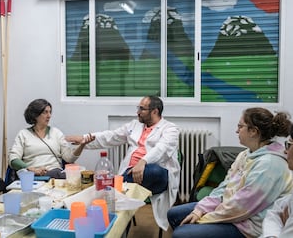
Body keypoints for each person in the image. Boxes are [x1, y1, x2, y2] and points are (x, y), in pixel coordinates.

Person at [167, 107, 293, 238]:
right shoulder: (246, 154)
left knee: (181, 234)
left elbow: (241, 207)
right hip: (233, 210)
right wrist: (201, 210)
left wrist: (204, 218)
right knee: (174, 214)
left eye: (240, 126)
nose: (236, 130)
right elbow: (225, 186)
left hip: (249, 226)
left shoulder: (270, 165)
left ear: (253, 131)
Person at [66, 95, 180, 231]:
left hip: (156, 177)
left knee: (154, 170)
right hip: (131, 173)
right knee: (118, 195)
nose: (137, 112)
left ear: (155, 111)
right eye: (138, 108)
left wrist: (143, 162)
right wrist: (85, 138)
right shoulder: (134, 125)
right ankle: (112, 197)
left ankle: (110, 188)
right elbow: (111, 136)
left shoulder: (170, 129)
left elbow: (162, 148)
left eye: (142, 109)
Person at [8, 99, 87, 179]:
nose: (49, 115)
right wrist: (30, 169)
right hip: (32, 176)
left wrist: (82, 145)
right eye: (45, 112)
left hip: (54, 174)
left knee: (80, 176)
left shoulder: (56, 133)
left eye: (50, 112)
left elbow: (69, 158)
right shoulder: (23, 134)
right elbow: (13, 159)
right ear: (35, 115)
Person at [261, 125, 293, 238]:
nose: (285, 150)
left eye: (289, 145)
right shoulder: (245, 155)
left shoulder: (269, 164)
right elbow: (276, 213)